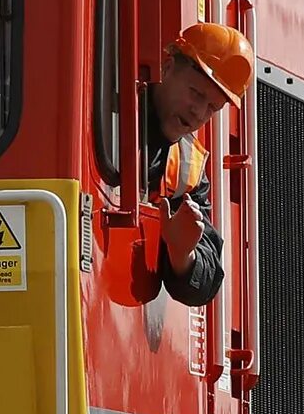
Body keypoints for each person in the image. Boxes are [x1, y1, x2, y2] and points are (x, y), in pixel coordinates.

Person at [101, 21, 252, 308]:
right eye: (196, 93)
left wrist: (183, 254)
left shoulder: (189, 167)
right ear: (167, 67)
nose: (199, 113)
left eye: (212, 108)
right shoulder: (102, 116)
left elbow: (207, 278)